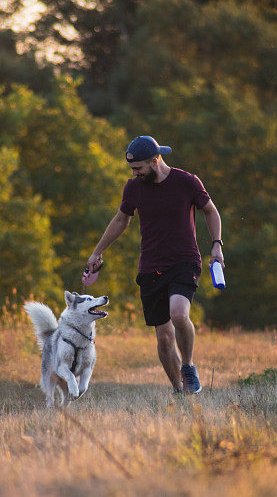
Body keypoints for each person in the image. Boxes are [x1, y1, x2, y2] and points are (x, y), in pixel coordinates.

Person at [87, 135, 224, 394]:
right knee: (163, 336)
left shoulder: (187, 182)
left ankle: (189, 366)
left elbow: (210, 211)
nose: (135, 173)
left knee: (179, 314)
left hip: (184, 260)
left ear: (154, 160)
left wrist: (217, 244)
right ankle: (179, 390)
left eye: (138, 168)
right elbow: (120, 220)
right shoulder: (134, 188)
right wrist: (97, 252)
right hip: (151, 267)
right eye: (132, 169)